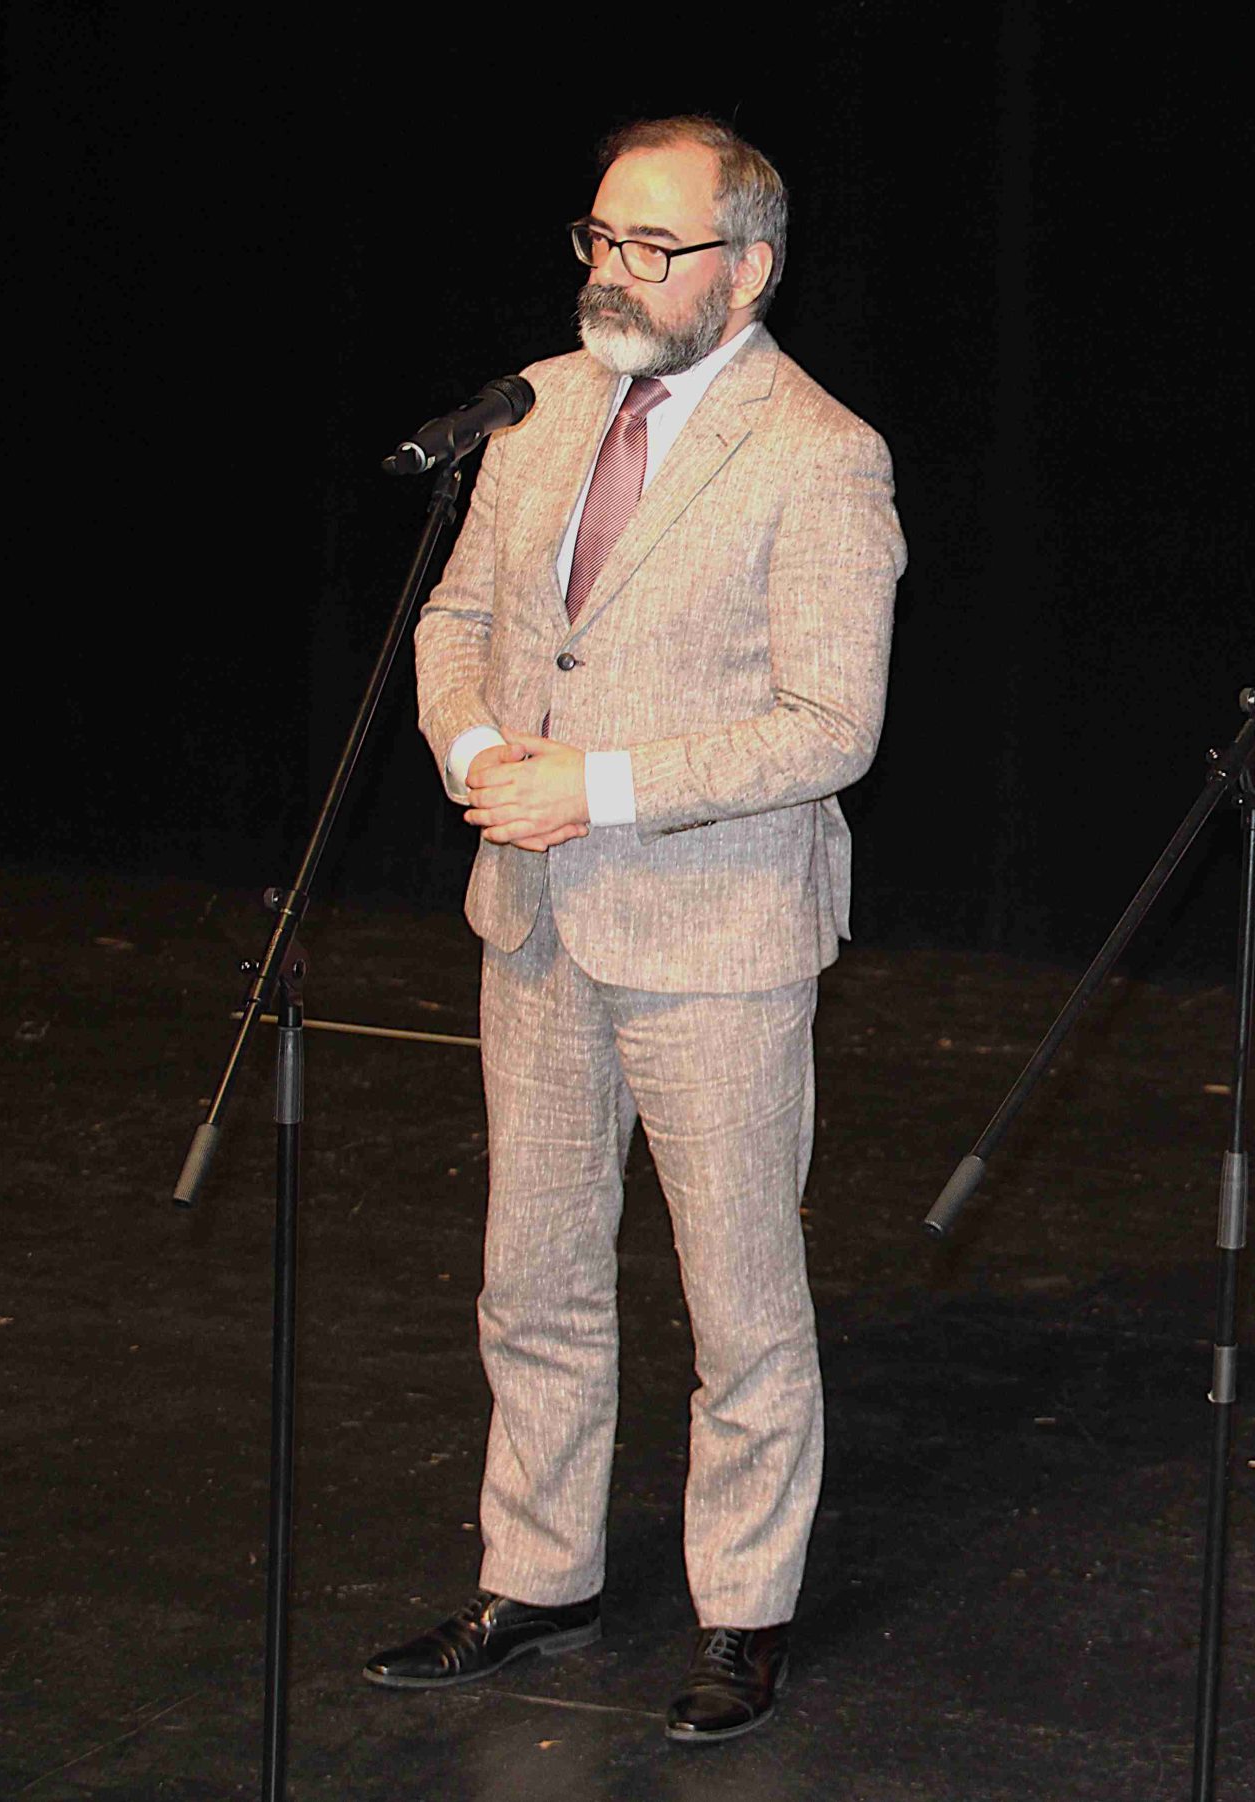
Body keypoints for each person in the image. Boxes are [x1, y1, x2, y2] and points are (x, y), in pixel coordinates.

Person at [364, 115, 904, 1744]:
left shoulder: (822, 452)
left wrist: (590, 787)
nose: (613, 269)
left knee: (740, 1301)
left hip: (717, 938)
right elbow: (457, 617)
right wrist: (476, 751)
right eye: (599, 237)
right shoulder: (536, 407)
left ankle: (745, 1608)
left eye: (653, 247)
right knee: (530, 1274)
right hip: (534, 916)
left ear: (748, 269)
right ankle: (538, 1572)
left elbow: (831, 725)